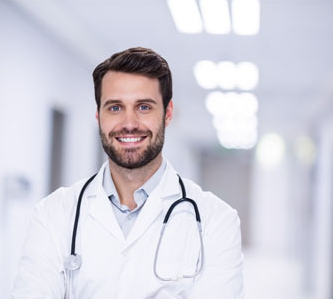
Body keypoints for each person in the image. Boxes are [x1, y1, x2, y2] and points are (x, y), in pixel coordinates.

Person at [12, 47, 244, 298]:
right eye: (114, 108)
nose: (129, 123)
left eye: (144, 107)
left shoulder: (217, 221)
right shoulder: (53, 214)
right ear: (98, 115)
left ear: (167, 113)